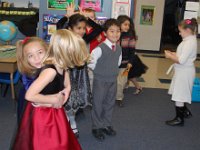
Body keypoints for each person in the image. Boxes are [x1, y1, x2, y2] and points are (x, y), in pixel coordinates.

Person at [12, 29, 88, 149]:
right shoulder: (50, 71)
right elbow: (29, 95)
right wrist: (52, 100)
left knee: (61, 139)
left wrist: (65, 94)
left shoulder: (62, 65)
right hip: (43, 115)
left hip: (55, 111)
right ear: (64, 53)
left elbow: (67, 82)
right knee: (47, 143)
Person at [88, 19, 122, 141]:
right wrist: (99, 71)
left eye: (118, 31)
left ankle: (106, 124)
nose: (115, 34)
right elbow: (91, 63)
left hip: (113, 80)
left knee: (109, 103)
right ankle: (96, 127)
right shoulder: (99, 48)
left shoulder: (118, 48)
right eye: (112, 31)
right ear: (105, 33)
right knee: (98, 104)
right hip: (100, 81)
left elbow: (117, 63)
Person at [165, 18, 197, 126]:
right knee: (180, 93)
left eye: (181, 31)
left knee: (179, 95)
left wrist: (170, 56)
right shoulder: (189, 40)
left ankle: (179, 119)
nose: (179, 33)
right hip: (183, 72)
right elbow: (183, 56)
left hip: (184, 73)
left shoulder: (190, 42)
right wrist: (174, 53)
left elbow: (181, 60)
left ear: (188, 30)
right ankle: (186, 112)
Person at [117, 15, 148, 103]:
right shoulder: (116, 35)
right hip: (117, 62)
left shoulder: (130, 36)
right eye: (125, 24)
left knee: (128, 75)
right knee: (127, 76)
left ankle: (121, 95)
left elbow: (132, 51)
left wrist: (130, 62)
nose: (127, 26)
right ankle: (125, 87)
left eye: (128, 25)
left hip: (128, 61)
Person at [16, 37, 48, 123]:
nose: (36, 58)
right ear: (25, 59)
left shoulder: (49, 68)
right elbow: (35, 98)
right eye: (30, 56)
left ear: (47, 51)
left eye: (40, 52)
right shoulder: (28, 75)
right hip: (33, 105)